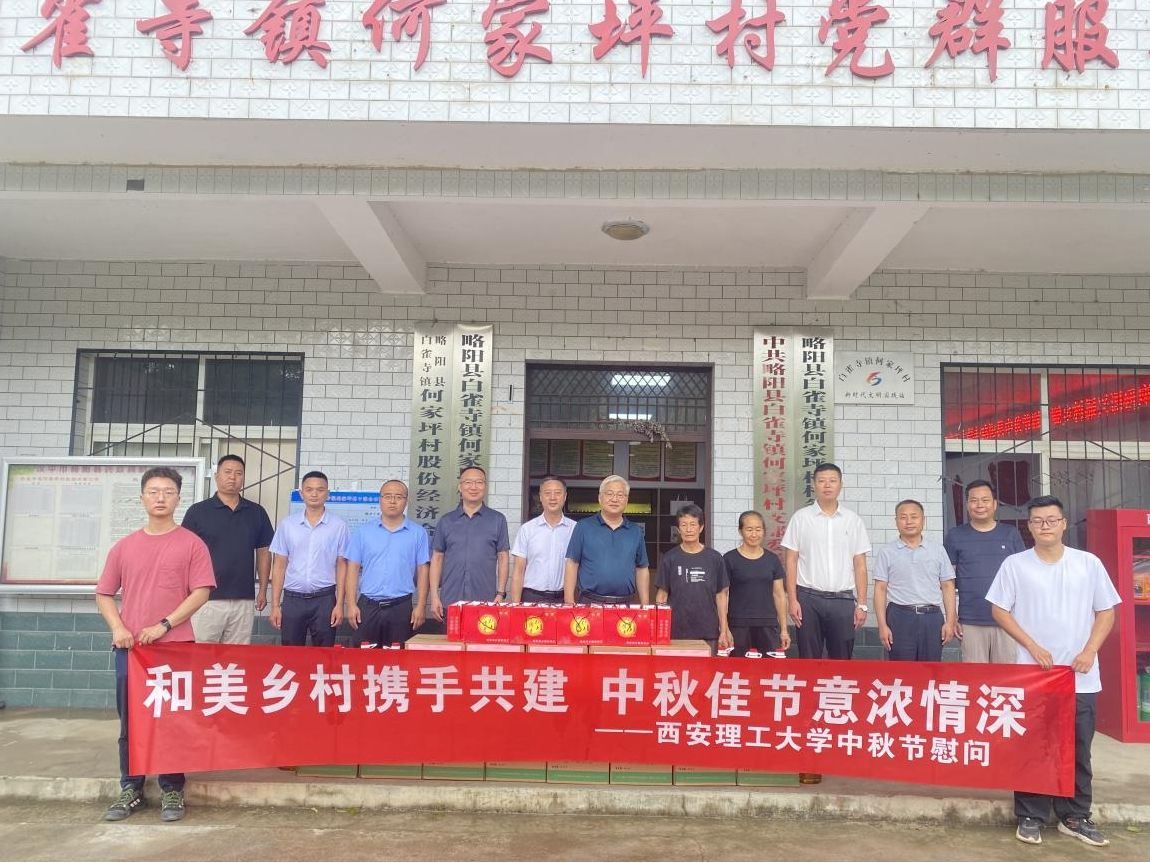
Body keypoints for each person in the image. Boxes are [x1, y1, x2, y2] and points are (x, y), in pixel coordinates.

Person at [986, 495, 1120, 848]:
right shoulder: (1015, 565)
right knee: (1033, 746)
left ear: (1063, 523)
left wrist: (1090, 651)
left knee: (1078, 747)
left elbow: (1106, 611)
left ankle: (1075, 815)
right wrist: (1032, 646)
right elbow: (999, 610)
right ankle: (1031, 814)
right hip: (1034, 675)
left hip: (1080, 675)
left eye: (1051, 520)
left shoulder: (1087, 564)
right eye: (1037, 521)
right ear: (1029, 527)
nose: (1044, 526)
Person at [95, 467, 215, 823]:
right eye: (153, 491)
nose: (160, 497)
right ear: (142, 498)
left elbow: (201, 591)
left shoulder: (192, 544)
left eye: (168, 491)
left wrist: (165, 624)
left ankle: (172, 787)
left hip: (175, 647)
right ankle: (130, 786)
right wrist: (118, 627)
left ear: (178, 498)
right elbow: (104, 593)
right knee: (130, 721)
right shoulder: (124, 546)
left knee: (172, 720)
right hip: (131, 650)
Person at [782, 463, 871, 660]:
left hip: (842, 601)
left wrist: (862, 604)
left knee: (842, 659)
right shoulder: (801, 518)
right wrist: (792, 600)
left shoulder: (853, 520)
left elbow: (860, 565)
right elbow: (791, 562)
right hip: (808, 600)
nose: (827, 485)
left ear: (841, 485)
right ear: (814, 485)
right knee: (808, 658)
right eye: (822, 481)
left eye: (832, 481)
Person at [182, 454, 274, 644]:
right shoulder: (197, 511)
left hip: (243, 598)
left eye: (238, 473)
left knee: (236, 657)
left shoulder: (256, 512)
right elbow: (184, 554)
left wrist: (263, 590)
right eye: (228, 472)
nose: (233, 477)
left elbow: (264, 552)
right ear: (217, 476)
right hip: (205, 598)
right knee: (202, 653)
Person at [944, 479, 1026, 663]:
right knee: (975, 676)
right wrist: (952, 617)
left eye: (985, 500)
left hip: (1007, 620)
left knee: (1005, 676)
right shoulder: (955, 536)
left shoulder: (1010, 534)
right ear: (967, 505)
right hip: (971, 620)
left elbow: (1022, 577)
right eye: (974, 500)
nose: (979, 505)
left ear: (995, 504)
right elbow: (948, 581)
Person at [267, 471, 349, 647]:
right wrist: (275, 605)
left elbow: (342, 566)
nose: (314, 494)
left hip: (325, 599)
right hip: (293, 599)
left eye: (320, 490)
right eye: (309, 489)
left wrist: (339, 604)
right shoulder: (287, 525)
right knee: (291, 652)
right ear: (301, 493)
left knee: (324, 653)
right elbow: (279, 565)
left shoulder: (339, 526)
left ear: (328, 494)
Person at [345, 479, 430, 646]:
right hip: (367, 606)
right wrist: (351, 604)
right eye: (388, 496)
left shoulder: (418, 533)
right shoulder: (363, 532)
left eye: (398, 497)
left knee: (398, 658)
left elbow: (423, 570)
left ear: (406, 501)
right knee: (364, 657)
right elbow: (352, 569)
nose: (393, 501)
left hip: (401, 607)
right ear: (380, 499)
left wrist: (420, 606)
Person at [872, 499, 957, 662]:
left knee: (930, 668)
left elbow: (948, 586)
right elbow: (880, 589)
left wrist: (950, 621)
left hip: (932, 618)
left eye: (914, 516)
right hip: (899, 617)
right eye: (903, 517)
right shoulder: (887, 552)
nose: (909, 521)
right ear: (896, 521)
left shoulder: (938, 550)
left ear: (923, 520)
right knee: (901, 670)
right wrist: (882, 625)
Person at [427, 466, 508, 633]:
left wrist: (500, 594)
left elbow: (503, 557)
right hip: (451, 601)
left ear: (485, 486)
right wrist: (434, 596)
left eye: (479, 482)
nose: (473, 487)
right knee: (452, 647)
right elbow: (437, 558)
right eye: (468, 482)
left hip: (486, 601)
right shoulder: (446, 521)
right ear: (460, 486)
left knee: (482, 646)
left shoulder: (497, 520)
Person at [564, 474, 651, 605]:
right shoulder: (583, 526)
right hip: (590, 602)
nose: (614, 499)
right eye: (609, 494)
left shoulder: (635, 531)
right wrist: (569, 601)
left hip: (625, 603)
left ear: (626, 500)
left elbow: (642, 568)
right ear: (600, 498)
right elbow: (572, 563)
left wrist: (645, 605)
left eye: (620, 495)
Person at [655, 504, 731, 652]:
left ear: (701, 527)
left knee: (707, 667)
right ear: (678, 529)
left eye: (693, 524)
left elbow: (721, 596)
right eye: (684, 525)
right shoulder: (670, 558)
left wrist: (724, 629)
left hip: (708, 631)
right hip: (676, 631)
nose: (688, 529)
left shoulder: (715, 558)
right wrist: (659, 630)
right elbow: (662, 595)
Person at [723, 510, 791, 656]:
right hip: (738, 625)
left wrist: (784, 629)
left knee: (768, 668)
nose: (754, 534)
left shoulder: (772, 560)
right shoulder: (729, 559)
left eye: (758, 529)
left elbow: (779, 595)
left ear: (764, 531)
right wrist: (724, 628)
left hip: (768, 624)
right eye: (749, 529)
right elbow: (723, 595)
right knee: (737, 667)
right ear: (740, 531)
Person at [510, 477, 575, 603]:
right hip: (532, 597)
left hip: (564, 598)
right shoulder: (527, 529)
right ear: (540, 497)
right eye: (547, 493)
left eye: (557, 493)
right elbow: (518, 571)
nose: (552, 497)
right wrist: (515, 606)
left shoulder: (575, 529)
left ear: (565, 496)